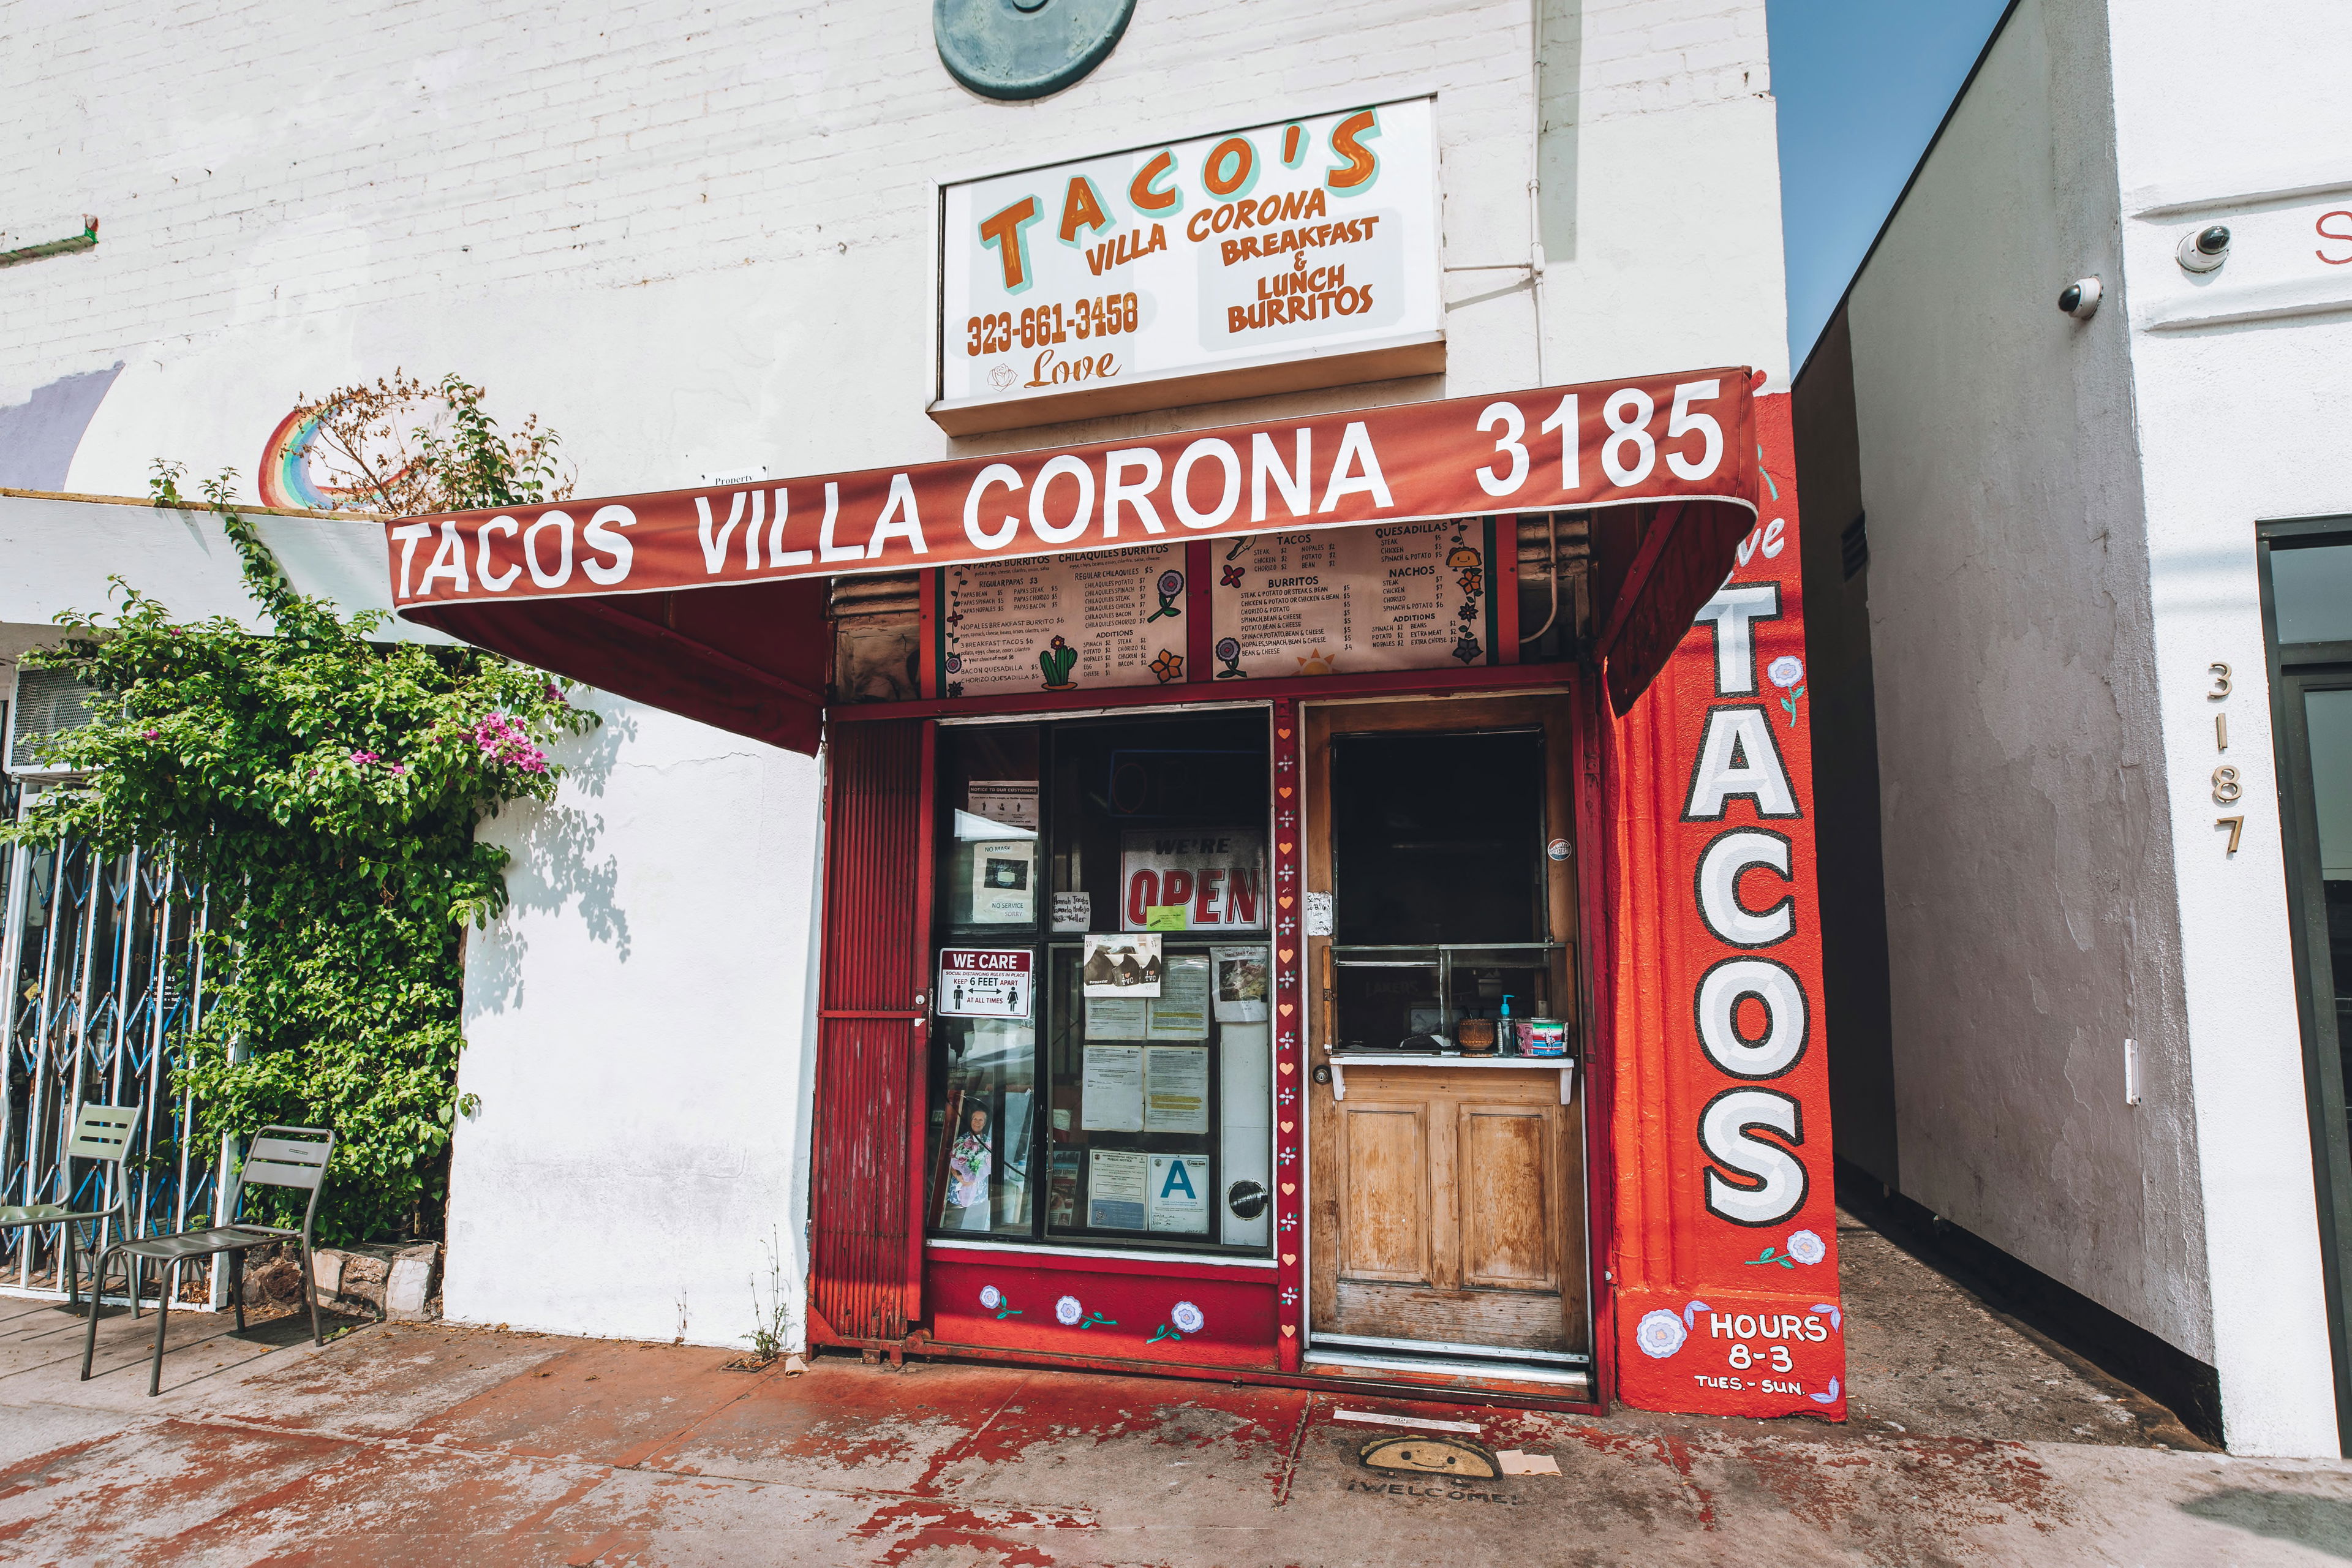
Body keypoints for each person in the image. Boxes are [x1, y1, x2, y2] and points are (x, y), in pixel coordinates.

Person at [948, 1106, 993, 1227]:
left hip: (978, 1193)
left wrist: (974, 1180)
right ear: (971, 1121)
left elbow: (989, 1164)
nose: (977, 1123)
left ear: (985, 1123)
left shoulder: (988, 1142)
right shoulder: (962, 1140)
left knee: (973, 1225)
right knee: (955, 1225)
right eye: (975, 1119)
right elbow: (952, 1161)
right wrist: (960, 1178)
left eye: (981, 1120)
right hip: (958, 1190)